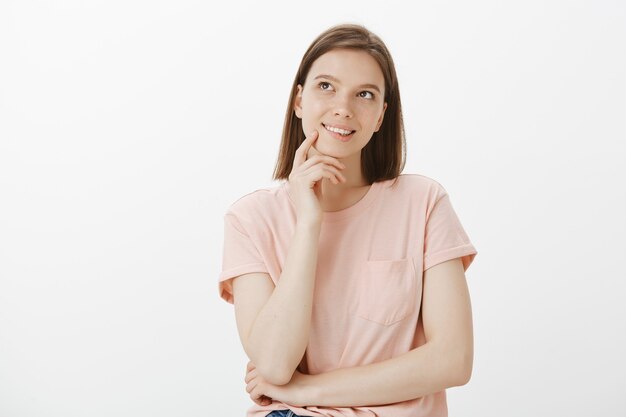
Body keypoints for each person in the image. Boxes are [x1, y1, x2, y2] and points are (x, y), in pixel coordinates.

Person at [218, 23, 478, 417]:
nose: (343, 107)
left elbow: (453, 361)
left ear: (380, 117)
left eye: (365, 94)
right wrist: (308, 222)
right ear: (299, 100)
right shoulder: (250, 219)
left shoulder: (423, 203)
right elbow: (273, 363)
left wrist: (307, 388)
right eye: (326, 86)